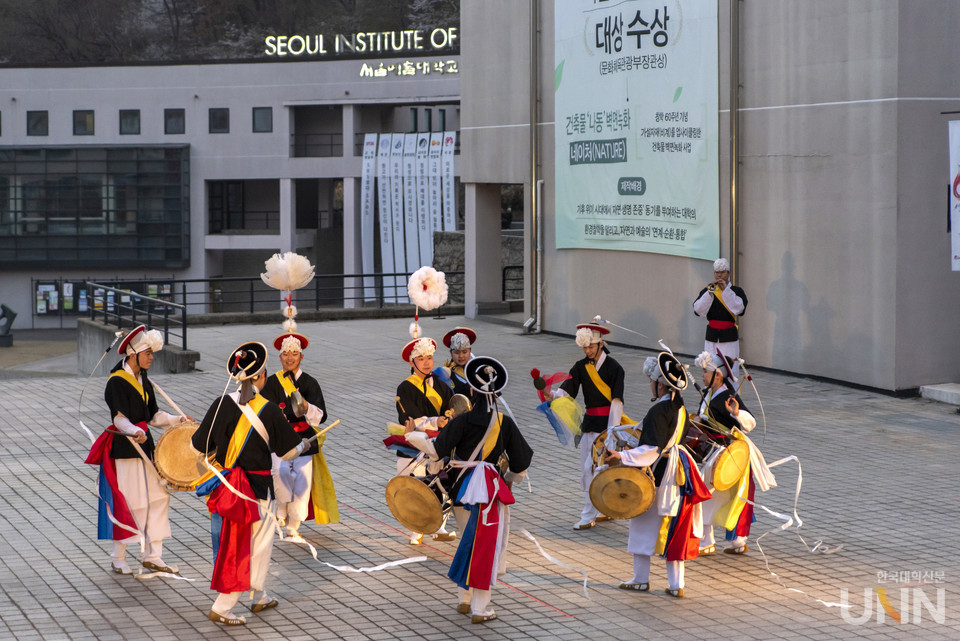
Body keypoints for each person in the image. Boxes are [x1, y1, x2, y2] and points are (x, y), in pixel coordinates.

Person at [192, 341, 316, 626]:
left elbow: (197, 444)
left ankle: (259, 596)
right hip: (256, 492)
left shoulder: (222, 402)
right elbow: (286, 452)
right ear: (262, 376)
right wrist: (303, 445)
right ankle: (224, 606)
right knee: (253, 547)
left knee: (231, 544)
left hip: (225, 488)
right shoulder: (269, 409)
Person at [426, 356, 533, 623]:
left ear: (471, 391)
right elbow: (522, 459)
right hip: (489, 490)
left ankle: (464, 598)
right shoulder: (503, 422)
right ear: (497, 393)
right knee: (486, 545)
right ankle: (480, 607)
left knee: (467, 540)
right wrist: (509, 477)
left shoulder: (461, 421)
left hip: (462, 487)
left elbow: (439, 450)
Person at [85, 324, 193, 575]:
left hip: (146, 445)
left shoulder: (144, 378)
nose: (152, 358)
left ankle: (153, 555)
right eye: (148, 354)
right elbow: (118, 419)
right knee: (130, 501)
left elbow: (153, 415)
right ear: (133, 354)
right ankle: (118, 556)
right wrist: (133, 430)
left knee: (158, 497)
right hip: (125, 446)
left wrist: (178, 420)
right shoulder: (116, 382)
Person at [605, 354, 711, 598]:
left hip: (660, 473)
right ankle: (676, 584)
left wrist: (622, 457)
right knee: (674, 528)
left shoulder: (658, 410)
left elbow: (651, 450)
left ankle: (640, 579)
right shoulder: (680, 408)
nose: (650, 385)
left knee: (641, 521)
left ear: (660, 384)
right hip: (679, 473)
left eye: (651, 381)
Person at [553, 321, 632, 530]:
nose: (587, 350)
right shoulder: (580, 367)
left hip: (608, 424)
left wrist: (612, 432)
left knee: (599, 468)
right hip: (589, 423)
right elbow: (567, 390)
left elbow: (617, 402)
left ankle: (589, 514)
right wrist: (551, 395)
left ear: (600, 344)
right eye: (584, 347)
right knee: (588, 468)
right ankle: (601, 509)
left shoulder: (615, 368)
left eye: (591, 346)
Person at [259, 332, 338, 540]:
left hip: (304, 438)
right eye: (286, 353)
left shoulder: (310, 383)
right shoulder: (271, 383)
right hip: (279, 439)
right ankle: (282, 507)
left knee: (302, 483)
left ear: (301, 357)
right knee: (280, 472)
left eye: (294, 353)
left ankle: (294, 526)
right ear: (280, 357)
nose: (290, 357)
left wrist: (306, 407)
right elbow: (264, 410)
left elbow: (320, 416)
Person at [693, 351, 759, 556]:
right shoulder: (709, 393)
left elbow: (750, 422)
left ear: (717, 375)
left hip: (724, 454)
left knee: (710, 494)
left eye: (705, 372)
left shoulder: (729, 397)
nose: (702, 376)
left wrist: (737, 413)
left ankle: (709, 540)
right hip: (711, 450)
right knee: (726, 495)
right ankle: (737, 541)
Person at [395, 333, 456, 544]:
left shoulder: (441, 386)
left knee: (440, 484)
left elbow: (452, 407)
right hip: (414, 443)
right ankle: (417, 528)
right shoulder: (405, 387)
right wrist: (434, 421)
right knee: (416, 487)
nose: (427, 362)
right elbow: (409, 418)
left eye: (429, 358)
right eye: (421, 358)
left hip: (438, 444)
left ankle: (439, 526)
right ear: (412, 362)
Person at [693, 258, 748, 377]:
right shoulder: (708, 290)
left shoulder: (737, 291)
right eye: (717, 272)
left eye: (722, 272)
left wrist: (725, 291)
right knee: (709, 368)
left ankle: (730, 394)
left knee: (729, 370)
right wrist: (709, 294)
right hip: (711, 336)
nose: (719, 275)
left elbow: (740, 309)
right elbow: (697, 310)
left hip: (729, 338)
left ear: (728, 273)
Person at [440, 326, 478, 398]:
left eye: (464, 352)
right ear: (451, 353)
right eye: (457, 353)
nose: (461, 356)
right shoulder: (447, 372)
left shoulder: (476, 369)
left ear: (470, 352)